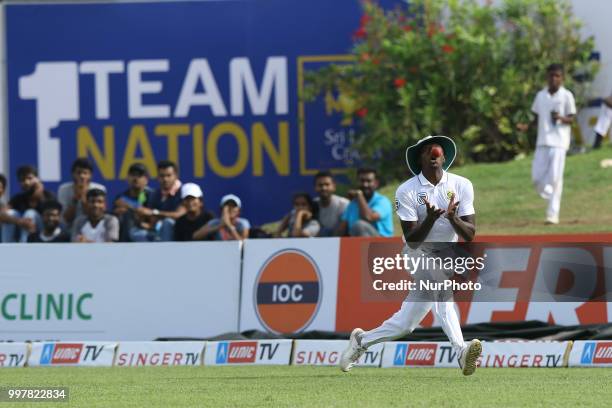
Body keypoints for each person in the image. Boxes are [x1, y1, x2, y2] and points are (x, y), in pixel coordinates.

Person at [339, 135, 482, 376]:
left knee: (406, 324)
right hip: (416, 252)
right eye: (426, 151)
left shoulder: (461, 184)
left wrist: (453, 217)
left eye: (436, 150)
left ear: (444, 156)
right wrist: (431, 218)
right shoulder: (406, 190)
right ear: (420, 158)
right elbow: (413, 239)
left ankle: (362, 341)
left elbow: (469, 234)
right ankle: (460, 351)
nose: (433, 153)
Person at [517, 63, 576, 224]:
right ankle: (551, 194)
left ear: (562, 78)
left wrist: (561, 118)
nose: (554, 78)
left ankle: (552, 214)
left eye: (557, 76)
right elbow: (537, 119)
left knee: (556, 178)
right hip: (542, 142)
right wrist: (526, 127)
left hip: (559, 143)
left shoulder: (567, 95)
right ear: (547, 77)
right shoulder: (541, 95)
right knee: (537, 179)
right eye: (551, 75)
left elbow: (571, 118)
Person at [129, 160, 186, 242]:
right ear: (158, 177)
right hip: (157, 232)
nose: (165, 179)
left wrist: (154, 212)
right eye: (162, 176)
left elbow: (178, 215)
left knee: (168, 222)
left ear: (176, 175)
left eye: (169, 175)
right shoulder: (155, 194)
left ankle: (166, 253)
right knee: (135, 232)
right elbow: (153, 221)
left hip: (179, 234)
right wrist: (142, 221)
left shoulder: (184, 191)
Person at [2, 165, 55, 242]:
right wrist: (20, 221)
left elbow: (53, 219)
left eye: (30, 178)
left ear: (38, 179)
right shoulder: (18, 198)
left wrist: (40, 196)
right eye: (23, 180)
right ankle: (6, 248)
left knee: (30, 213)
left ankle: (24, 248)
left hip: (43, 235)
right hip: (22, 231)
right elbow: (2, 214)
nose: (26, 182)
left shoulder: (48, 196)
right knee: (11, 213)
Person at [337, 168, 393, 237]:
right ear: (357, 182)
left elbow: (368, 217)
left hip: (383, 245)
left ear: (376, 183)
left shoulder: (383, 201)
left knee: (359, 225)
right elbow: (341, 229)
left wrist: (359, 195)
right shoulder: (353, 203)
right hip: (356, 244)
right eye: (362, 181)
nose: (365, 184)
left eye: (369, 181)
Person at [58, 158, 106, 227]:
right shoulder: (63, 189)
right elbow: (66, 219)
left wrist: (84, 198)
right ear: (73, 174)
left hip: (92, 227)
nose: (82, 176)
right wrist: (75, 200)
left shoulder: (99, 189)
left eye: (85, 173)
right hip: (69, 229)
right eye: (78, 172)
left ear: (90, 175)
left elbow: (96, 217)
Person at [112, 163, 153, 242]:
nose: (135, 178)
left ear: (146, 180)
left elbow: (147, 213)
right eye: (133, 175)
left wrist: (128, 206)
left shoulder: (152, 195)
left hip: (146, 231)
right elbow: (115, 214)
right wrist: (117, 213)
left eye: (139, 175)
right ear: (127, 178)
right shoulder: (121, 197)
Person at [313, 171, 349, 236]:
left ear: (334, 186)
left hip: (341, 241)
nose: (324, 188)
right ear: (315, 187)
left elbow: (344, 229)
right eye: (320, 185)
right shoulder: (312, 204)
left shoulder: (343, 204)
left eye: (327, 184)